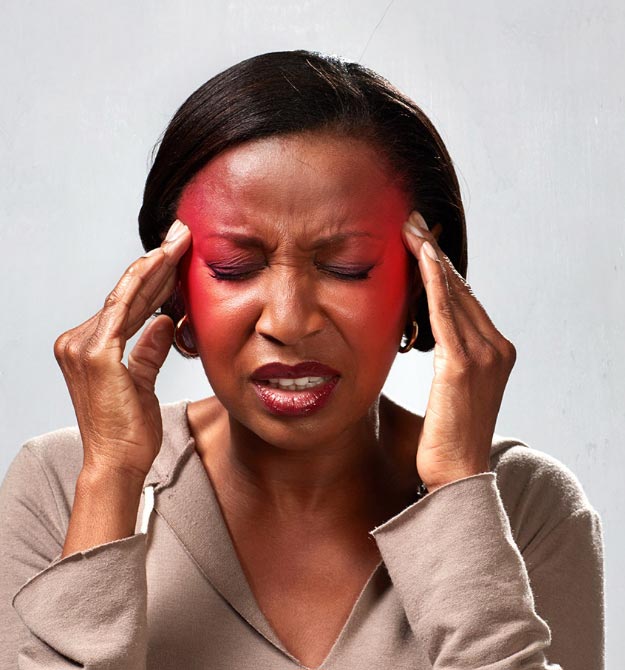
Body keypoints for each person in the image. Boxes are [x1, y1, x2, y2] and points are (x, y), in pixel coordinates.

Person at [0, 50, 604, 669]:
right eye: (235, 267)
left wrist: (456, 489)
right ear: (171, 284)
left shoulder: (526, 502)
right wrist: (110, 481)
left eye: (347, 267)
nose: (289, 322)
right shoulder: (61, 483)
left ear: (422, 282)